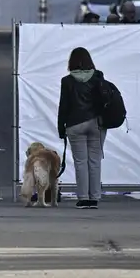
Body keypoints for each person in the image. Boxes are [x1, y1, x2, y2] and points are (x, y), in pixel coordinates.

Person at [57, 47, 106, 209]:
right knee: (95, 161)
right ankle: (94, 198)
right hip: (97, 124)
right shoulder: (98, 77)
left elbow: (64, 106)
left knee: (80, 162)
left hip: (75, 124)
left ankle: (83, 198)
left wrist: (61, 127)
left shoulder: (67, 81)